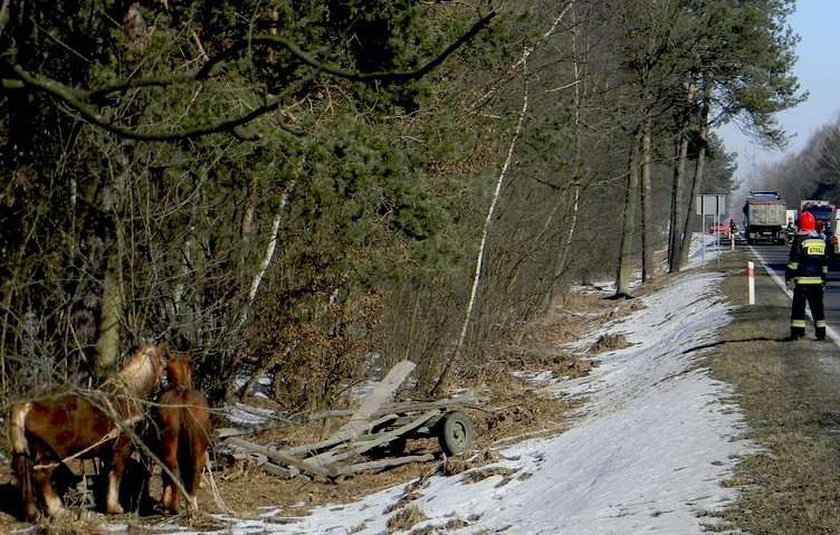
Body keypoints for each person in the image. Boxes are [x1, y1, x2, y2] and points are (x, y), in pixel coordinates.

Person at [785, 211, 829, 340]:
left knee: (799, 309)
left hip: (802, 282)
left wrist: (789, 277)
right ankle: (821, 334)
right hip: (817, 282)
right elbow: (824, 264)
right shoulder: (821, 241)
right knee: (818, 309)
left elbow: (794, 262)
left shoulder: (799, 240)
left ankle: (797, 334)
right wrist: (824, 279)